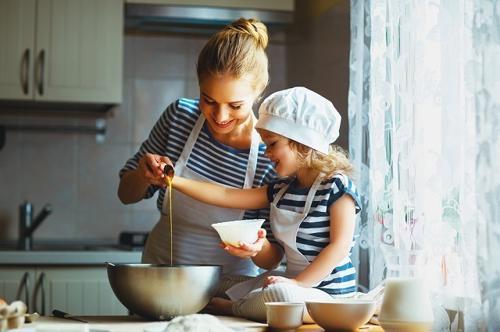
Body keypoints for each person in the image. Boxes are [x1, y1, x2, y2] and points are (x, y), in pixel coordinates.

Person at [169, 87, 362, 322]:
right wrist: (172, 180)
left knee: (280, 294)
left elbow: (339, 246)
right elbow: (226, 195)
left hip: (328, 297)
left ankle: (233, 308)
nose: (266, 152)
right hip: (291, 284)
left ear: (301, 141)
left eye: (272, 144)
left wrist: (298, 284)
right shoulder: (281, 190)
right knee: (218, 282)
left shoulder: (337, 188)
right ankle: (249, 302)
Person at [117, 18, 277, 292]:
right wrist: (144, 176)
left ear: (258, 92)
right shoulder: (180, 117)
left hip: (228, 292)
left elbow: (273, 257)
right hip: (159, 281)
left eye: (235, 105)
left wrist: (256, 247)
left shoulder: (270, 152)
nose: (220, 116)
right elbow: (125, 194)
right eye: (209, 100)